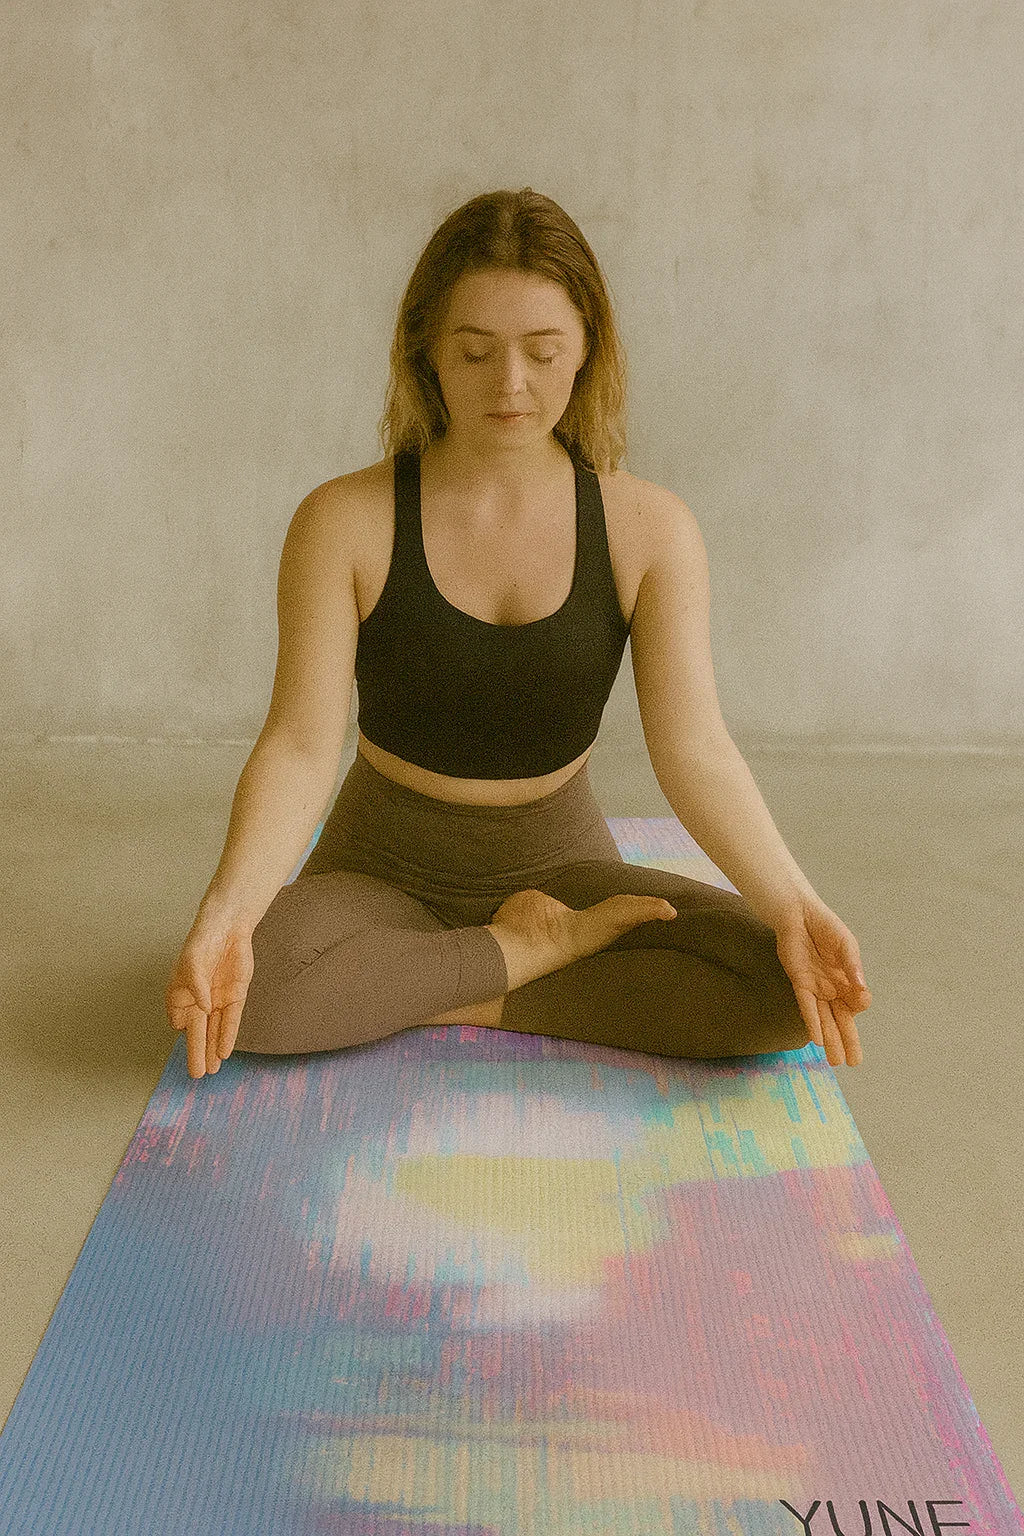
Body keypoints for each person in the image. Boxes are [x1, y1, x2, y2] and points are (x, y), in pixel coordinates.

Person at [165, 187, 872, 1082]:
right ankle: (528, 956)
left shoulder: (651, 529)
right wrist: (228, 910)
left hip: (562, 868)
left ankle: (432, 985)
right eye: (475, 351)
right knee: (256, 994)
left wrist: (797, 906)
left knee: (784, 988)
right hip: (380, 870)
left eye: (543, 352)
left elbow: (696, 749)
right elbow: (301, 747)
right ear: (427, 349)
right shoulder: (342, 521)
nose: (510, 384)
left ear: (588, 350)